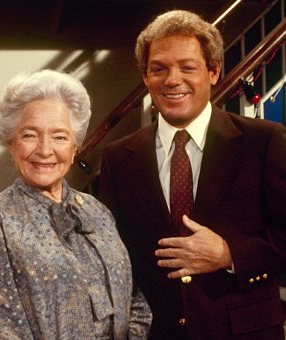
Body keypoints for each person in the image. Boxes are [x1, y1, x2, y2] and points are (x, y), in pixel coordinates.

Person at [100, 10, 286, 340]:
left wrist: (230, 254)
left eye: (188, 67)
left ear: (213, 72)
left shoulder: (265, 141)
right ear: (145, 76)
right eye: (159, 69)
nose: (172, 80)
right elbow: (115, 260)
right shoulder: (118, 157)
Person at [0, 69, 152, 339]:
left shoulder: (96, 210)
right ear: (11, 143)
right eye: (30, 135)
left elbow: (135, 300)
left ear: (75, 145)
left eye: (59, 137)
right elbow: (1, 329)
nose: (45, 150)